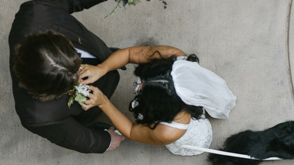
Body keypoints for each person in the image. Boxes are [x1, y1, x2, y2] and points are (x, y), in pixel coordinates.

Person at [9, 0, 124, 154]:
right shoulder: (37, 117)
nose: (83, 73)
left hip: (96, 51)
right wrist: (106, 141)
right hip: (85, 110)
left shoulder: (35, 12)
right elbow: (76, 138)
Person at [79, 48, 237, 155]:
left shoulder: (167, 131)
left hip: (177, 131)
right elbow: (129, 54)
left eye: (144, 90)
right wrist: (101, 68)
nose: (139, 86)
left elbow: (132, 131)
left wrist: (104, 103)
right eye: (144, 79)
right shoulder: (173, 55)